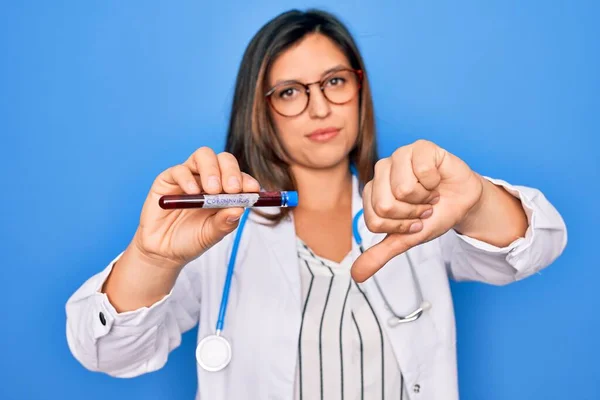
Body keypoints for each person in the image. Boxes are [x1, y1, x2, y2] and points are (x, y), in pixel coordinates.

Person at [65, 8, 567, 400]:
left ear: (359, 87)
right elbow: (107, 351)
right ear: (258, 110)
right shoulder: (219, 232)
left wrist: (476, 198)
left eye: (334, 81)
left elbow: (537, 245)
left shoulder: (411, 202)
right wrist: (152, 259)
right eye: (289, 92)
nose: (321, 107)